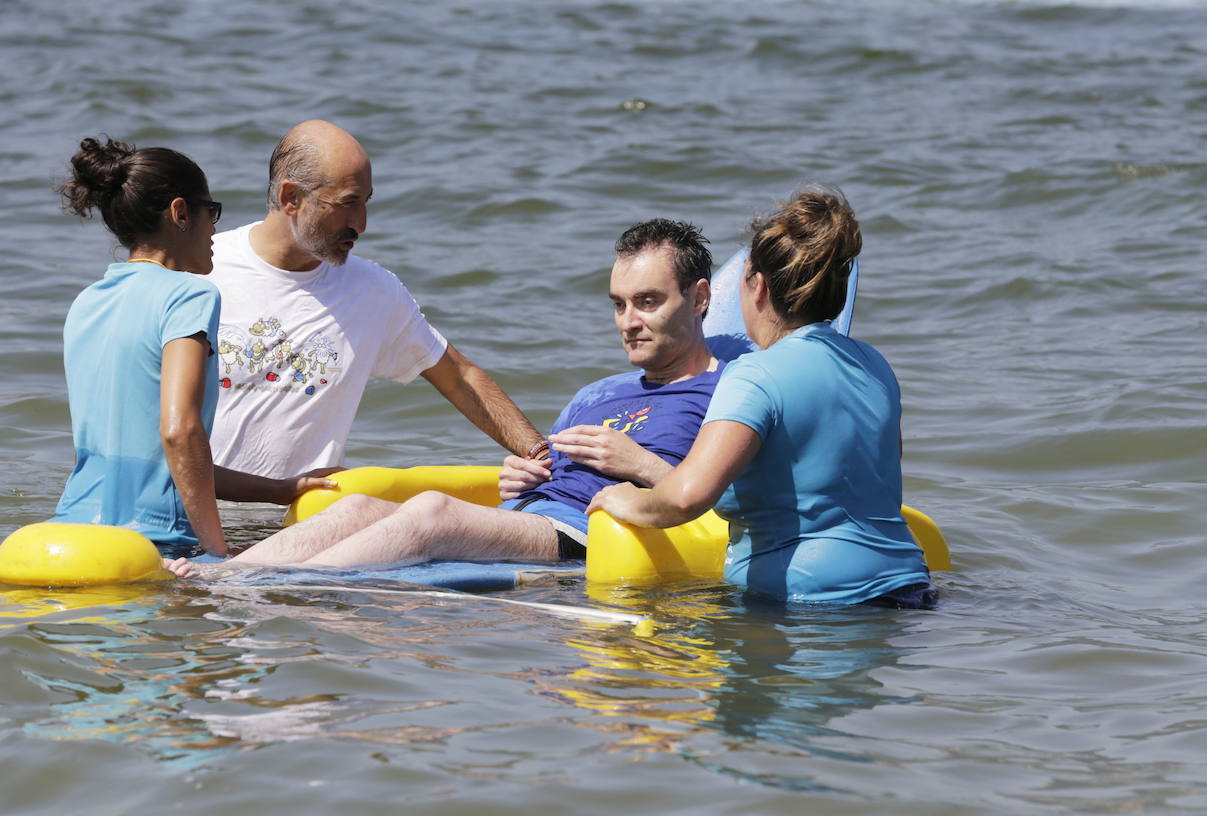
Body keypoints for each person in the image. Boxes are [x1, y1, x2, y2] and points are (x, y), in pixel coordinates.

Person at [167, 219, 723, 574]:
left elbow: (734, 498)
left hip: (584, 536)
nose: (629, 321)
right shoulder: (598, 393)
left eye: (647, 302)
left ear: (699, 299)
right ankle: (224, 573)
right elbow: (546, 469)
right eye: (619, 304)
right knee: (357, 506)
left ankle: (281, 590)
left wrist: (640, 464)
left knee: (432, 510)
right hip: (530, 515)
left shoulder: (729, 392)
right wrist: (523, 475)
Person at [588, 187, 937, 608]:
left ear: (757, 288)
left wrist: (630, 501)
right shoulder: (874, 365)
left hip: (809, 605)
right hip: (909, 587)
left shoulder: (753, 375)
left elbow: (686, 497)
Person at [207, 119, 545, 479]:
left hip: (299, 517)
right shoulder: (202, 269)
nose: (361, 223)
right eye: (347, 203)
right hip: (189, 519)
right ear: (292, 198)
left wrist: (541, 454)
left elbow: (459, 377)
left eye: (366, 202)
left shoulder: (374, 290)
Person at [52, 138, 334, 559]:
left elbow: (159, 461)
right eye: (211, 212)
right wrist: (217, 553)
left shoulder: (87, 301)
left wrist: (280, 490)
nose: (215, 229)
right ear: (180, 213)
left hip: (73, 532)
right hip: (154, 543)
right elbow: (180, 431)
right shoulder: (190, 295)